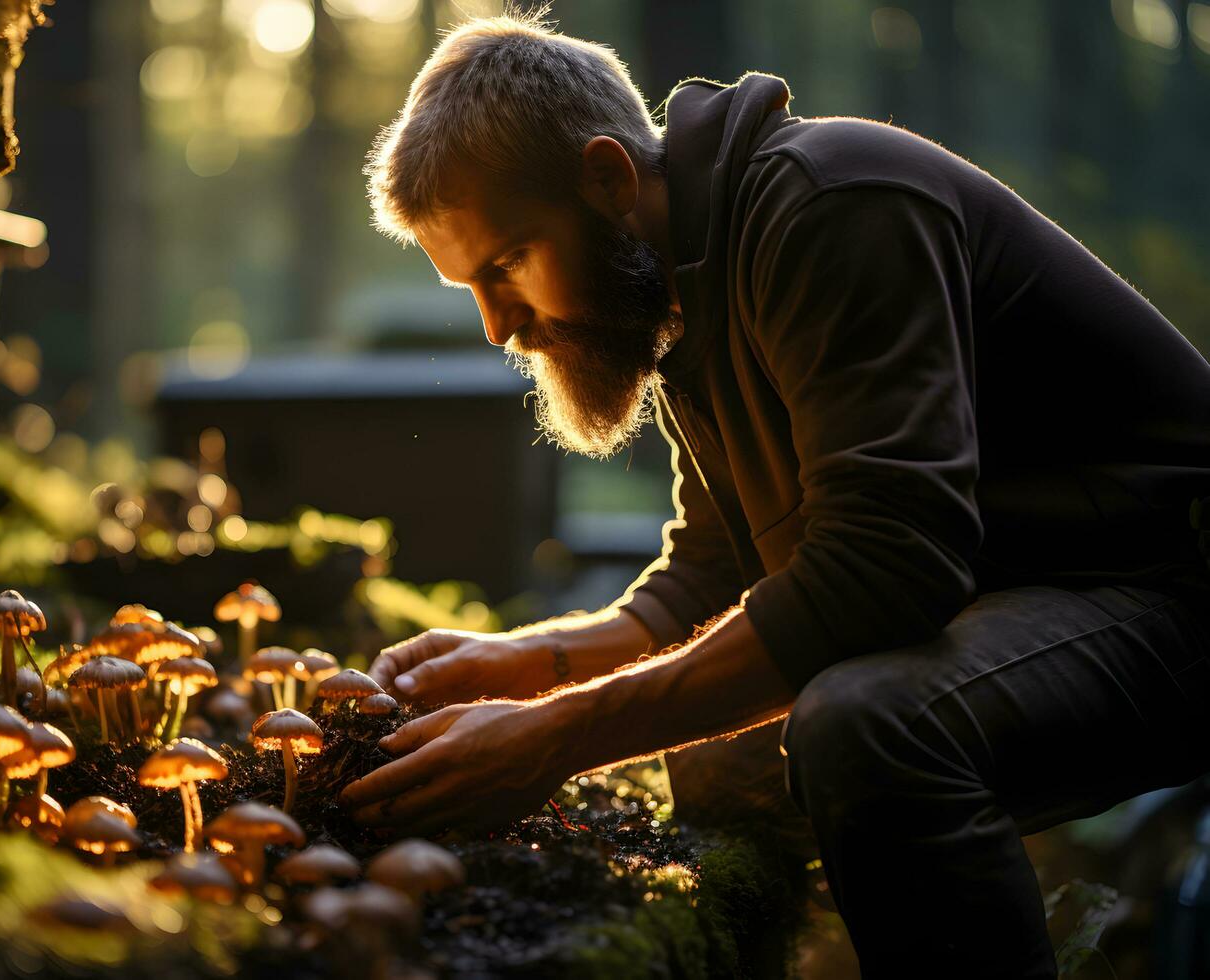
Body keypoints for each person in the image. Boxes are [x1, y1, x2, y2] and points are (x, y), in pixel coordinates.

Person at [336, 12, 1210, 978]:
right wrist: (532, 663)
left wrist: (552, 738)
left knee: (869, 725)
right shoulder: (682, 293)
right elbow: (711, 569)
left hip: (1167, 590)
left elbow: (883, 573)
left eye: (505, 264)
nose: (497, 325)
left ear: (608, 179)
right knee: (721, 764)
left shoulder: (834, 205)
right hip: (1023, 602)